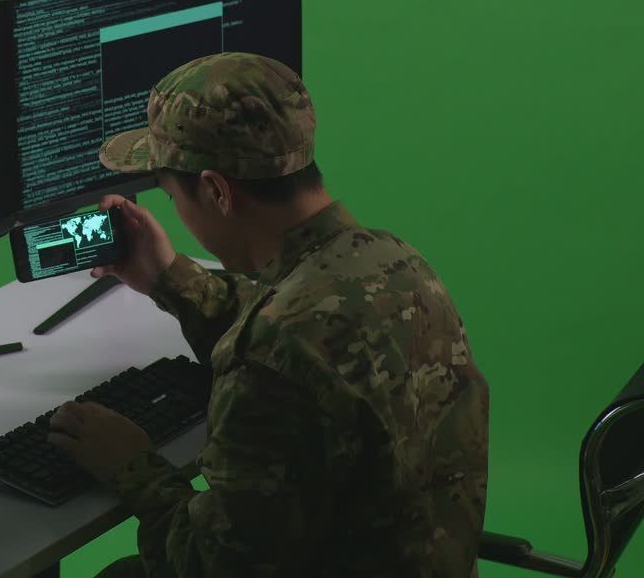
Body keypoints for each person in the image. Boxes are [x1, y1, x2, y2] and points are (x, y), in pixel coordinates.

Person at [44, 52, 490, 577]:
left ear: (216, 190)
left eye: (171, 196)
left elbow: (210, 566)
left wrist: (133, 465)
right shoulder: (391, 260)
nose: (178, 214)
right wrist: (168, 276)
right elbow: (309, 327)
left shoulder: (270, 358)